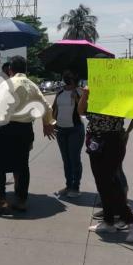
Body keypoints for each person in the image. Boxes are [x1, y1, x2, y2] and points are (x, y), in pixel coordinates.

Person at [0, 56, 56, 214]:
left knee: (0, 166)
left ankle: (0, 199)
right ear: (26, 70)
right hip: (25, 130)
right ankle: (21, 200)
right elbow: (46, 106)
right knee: (22, 166)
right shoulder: (32, 85)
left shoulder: (7, 84)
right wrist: (47, 123)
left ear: (10, 69)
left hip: (7, 129)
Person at [79, 86, 133, 242]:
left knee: (110, 183)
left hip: (113, 142)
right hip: (94, 141)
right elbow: (81, 111)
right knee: (101, 183)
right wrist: (85, 95)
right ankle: (108, 221)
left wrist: (127, 132)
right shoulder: (94, 94)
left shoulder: (119, 95)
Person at [53, 70, 84, 199]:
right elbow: (54, 108)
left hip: (75, 129)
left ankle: (75, 186)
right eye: (66, 76)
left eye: (70, 76)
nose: (67, 78)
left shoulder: (80, 91)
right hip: (60, 129)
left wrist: (76, 97)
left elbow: (83, 111)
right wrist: (52, 123)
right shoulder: (59, 92)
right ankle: (68, 185)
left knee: (74, 159)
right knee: (66, 159)